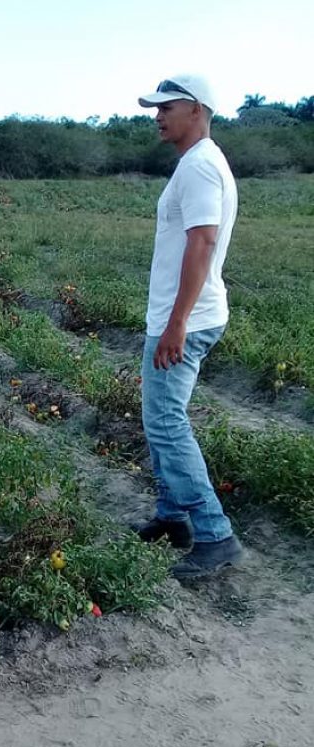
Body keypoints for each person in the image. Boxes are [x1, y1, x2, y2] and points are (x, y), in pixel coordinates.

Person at [134, 75, 243, 580]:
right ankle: (172, 517)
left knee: (166, 422)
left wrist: (176, 323)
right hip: (180, 315)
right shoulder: (195, 163)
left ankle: (214, 533)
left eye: (167, 107)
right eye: (155, 108)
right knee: (160, 417)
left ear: (197, 109)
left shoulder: (200, 166)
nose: (157, 115)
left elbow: (202, 243)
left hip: (186, 319)